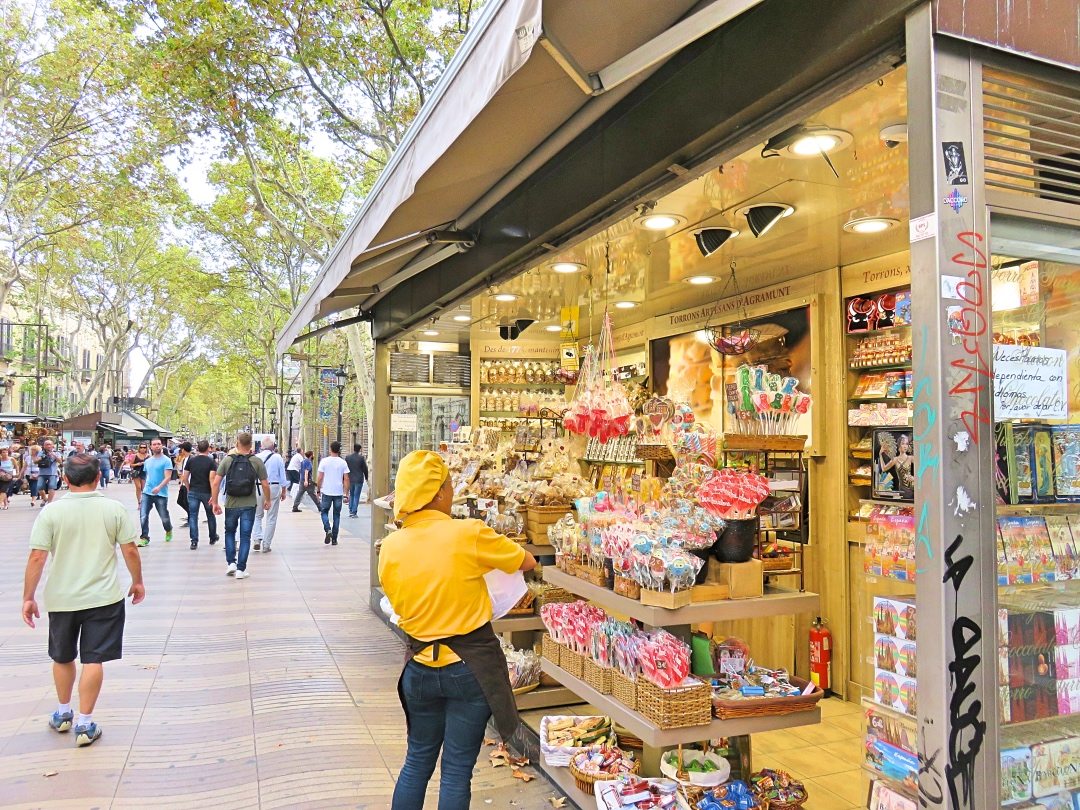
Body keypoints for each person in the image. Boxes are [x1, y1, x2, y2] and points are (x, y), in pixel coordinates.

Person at [379, 451, 537, 809]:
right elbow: (524, 561)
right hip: (469, 668)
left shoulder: (390, 546)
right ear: (437, 493)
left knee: (417, 761)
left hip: (417, 667)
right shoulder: (467, 533)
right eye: (449, 486)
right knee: (456, 770)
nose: (452, 493)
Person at [21, 453, 145, 748]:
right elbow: (130, 550)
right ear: (98, 477)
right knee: (94, 659)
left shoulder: (51, 512)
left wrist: (28, 597)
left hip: (62, 598)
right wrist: (137, 581)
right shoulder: (113, 509)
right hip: (104, 598)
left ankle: (63, 713)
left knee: (62, 656)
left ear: (64, 479)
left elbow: (37, 556)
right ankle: (85, 723)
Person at [210, 432, 271, 579]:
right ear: (251, 445)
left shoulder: (227, 460)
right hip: (249, 504)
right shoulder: (256, 461)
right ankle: (241, 570)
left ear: (237, 443)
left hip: (231, 503)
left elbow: (216, 482)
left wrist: (215, 502)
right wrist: (267, 500)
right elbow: (265, 484)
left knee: (229, 532)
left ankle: (231, 563)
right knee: (245, 536)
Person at [181, 440, 219, 550]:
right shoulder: (211, 462)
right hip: (207, 492)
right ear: (208, 449)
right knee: (210, 515)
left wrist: (188, 488)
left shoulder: (191, 461)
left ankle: (194, 541)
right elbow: (212, 479)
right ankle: (212, 537)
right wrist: (214, 495)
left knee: (193, 516)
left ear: (197, 449)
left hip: (193, 491)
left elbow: (185, 477)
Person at [253, 437, 288, 553]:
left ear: (261, 446)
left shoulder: (256, 457)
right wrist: (284, 491)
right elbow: (282, 476)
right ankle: (266, 544)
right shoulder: (278, 458)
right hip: (273, 487)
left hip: (258, 487)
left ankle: (257, 538)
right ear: (273, 446)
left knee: (257, 515)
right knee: (271, 517)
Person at [138, 438, 174, 547]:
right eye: (154, 444)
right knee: (143, 515)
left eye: (159, 444)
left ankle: (168, 529)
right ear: (151, 447)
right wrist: (143, 490)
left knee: (164, 516)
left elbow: (168, 477)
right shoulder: (148, 461)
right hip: (147, 492)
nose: (157, 446)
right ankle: (144, 537)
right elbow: (145, 476)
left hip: (161, 493)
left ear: (162, 446)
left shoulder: (166, 460)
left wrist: (159, 487)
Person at [316, 441, 349, 546]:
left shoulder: (324, 461)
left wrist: (318, 489)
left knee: (324, 512)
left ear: (330, 449)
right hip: (338, 492)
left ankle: (327, 529)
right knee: (336, 515)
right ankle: (334, 539)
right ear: (339, 450)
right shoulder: (343, 462)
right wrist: (346, 493)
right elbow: (346, 479)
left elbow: (320, 477)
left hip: (327, 491)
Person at [345, 443, 369, 518]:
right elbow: (365, 469)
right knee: (356, 495)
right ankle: (354, 512)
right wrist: (366, 477)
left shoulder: (348, 457)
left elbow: (345, 468)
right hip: (359, 479)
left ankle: (350, 510)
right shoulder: (361, 458)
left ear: (353, 448)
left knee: (351, 495)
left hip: (350, 479)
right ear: (360, 449)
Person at [36, 440, 61, 505]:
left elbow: (60, 461)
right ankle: (45, 498)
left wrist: (54, 455)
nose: (48, 446)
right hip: (42, 473)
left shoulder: (56, 453)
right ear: (44, 446)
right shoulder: (41, 453)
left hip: (52, 473)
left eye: (50, 444)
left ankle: (49, 503)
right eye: (47, 444)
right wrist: (41, 457)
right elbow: (35, 461)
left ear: (53, 445)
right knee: (39, 487)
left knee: (52, 487)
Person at [175, 442, 191, 528]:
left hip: (189, 483)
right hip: (184, 483)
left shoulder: (191, 459)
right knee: (180, 501)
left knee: (186, 502)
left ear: (184, 449)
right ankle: (190, 515)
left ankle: (191, 518)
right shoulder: (185, 459)